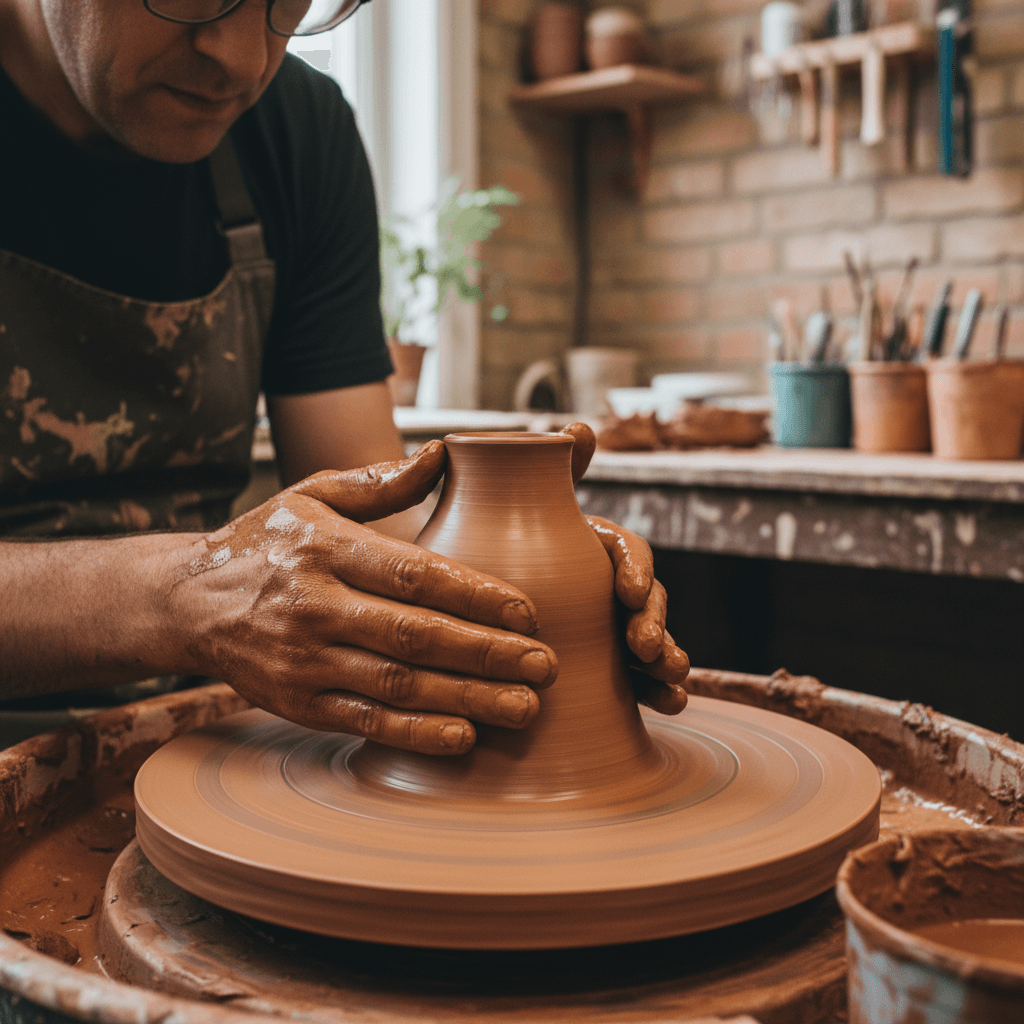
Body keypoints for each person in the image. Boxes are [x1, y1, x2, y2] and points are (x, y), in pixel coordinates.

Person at [0, 0, 690, 754]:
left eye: (287, 6)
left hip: (197, 724)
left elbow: (368, 504)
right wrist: (187, 598)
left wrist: (530, 584)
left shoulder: (298, 128)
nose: (241, 59)